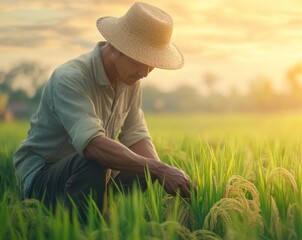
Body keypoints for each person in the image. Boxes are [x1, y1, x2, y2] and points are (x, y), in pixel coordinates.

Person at [13, 2, 195, 222]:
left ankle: (106, 216)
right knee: (96, 162)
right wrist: (159, 169)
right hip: (44, 177)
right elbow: (92, 145)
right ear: (115, 46)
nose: (145, 72)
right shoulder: (70, 78)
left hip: (95, 175)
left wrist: (160, 173)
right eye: (140, 61)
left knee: (145, 170)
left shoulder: (130, 80)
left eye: (151, 64)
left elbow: (136, 133)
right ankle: (84, 227)